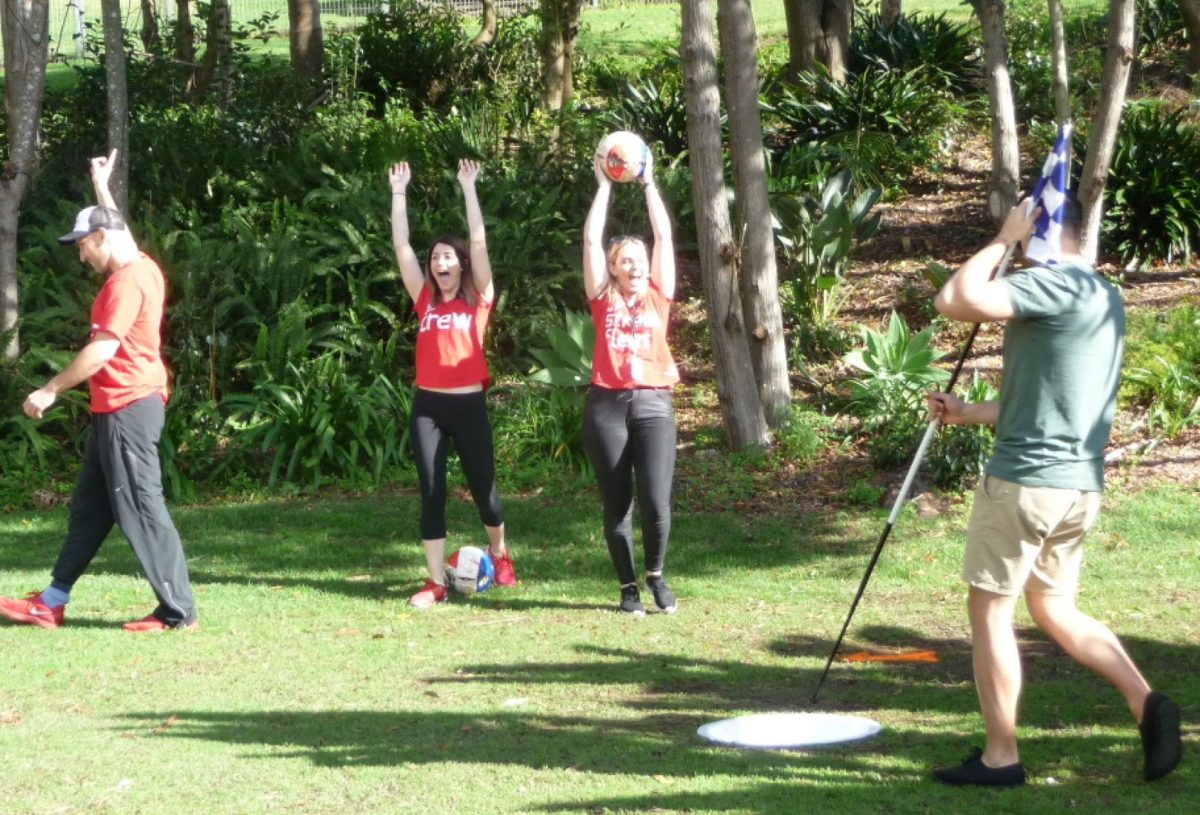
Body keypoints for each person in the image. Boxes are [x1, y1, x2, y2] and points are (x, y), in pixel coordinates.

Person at [927, 195, 1182, 786]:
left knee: (990, 612)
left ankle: (1000, 757)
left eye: (1026, 241)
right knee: (1054, 607)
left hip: (1023, 484)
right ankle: (1146, 704)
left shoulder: (1055, 284)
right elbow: (1049, 402)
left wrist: (1001, 239)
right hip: (1077, 487)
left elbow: (954, 300)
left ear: (1039, 238)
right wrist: (968, 412)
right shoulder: (1104, 295)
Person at [0, 149, 199, 633]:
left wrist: (49, 389)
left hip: (128, 409)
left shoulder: (124, 285)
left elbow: (102, 351)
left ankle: (178, 612)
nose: (80, 253)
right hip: (118, 411)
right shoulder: (142, 265)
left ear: (100, 238)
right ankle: (51, 600)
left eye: (82, 244)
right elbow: (120, 230)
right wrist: (102, 185)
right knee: (90, 511)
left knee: (142, 509)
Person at [388, 159, 515, 608]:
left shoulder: (478, 300)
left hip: (468, 407)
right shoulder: (424, 302)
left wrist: (469, 187)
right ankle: (437, 582)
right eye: (435, 257)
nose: (440, 262)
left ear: (460, 265)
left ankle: (500, 552)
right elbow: (401, 245)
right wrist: (399, 192)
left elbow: (479, 242)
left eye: (448, 256)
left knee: (485, 489)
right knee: (431, 491)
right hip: (428, 408)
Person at [581, 150, 680, 617]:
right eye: (625, 260)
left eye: (639, 259)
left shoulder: (659, 296)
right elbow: (588, 240)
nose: (635, 266)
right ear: (614, 268)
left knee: (657, 502)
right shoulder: (603, 298)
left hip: (655, 403)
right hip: (607, 405)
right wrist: (604, 186)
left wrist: (647, 183)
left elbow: (662, 234)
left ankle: (656, 576)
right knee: (617, 502)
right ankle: (627, 589)